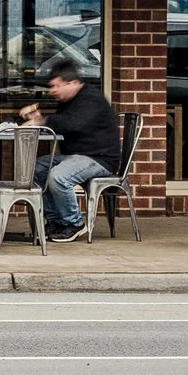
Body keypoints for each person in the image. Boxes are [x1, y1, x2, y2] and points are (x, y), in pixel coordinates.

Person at [21, 58, 120, 244]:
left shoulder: (91, 99)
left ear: (72, 83)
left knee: (58, 176)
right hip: (75, 156)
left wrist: (41, 121)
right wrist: (41, 119)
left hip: (99, 157)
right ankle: (55, 221)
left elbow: (72, 124)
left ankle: (74, 223)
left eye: (56, 86)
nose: (53, 91)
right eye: (51, 87)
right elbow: (63, 122)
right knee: (35, 170)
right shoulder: (68, 100)